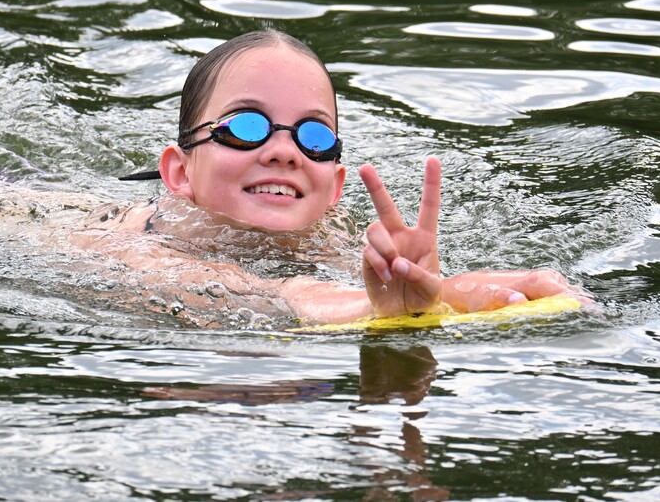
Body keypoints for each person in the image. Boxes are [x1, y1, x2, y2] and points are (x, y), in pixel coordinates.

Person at [70, 29, 585, 326]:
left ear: (334, 189)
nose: (283, 152)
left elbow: (385, 286)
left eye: (313, 137)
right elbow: (275, 293)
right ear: (180, 172)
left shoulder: (341, 242)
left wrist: (449, 288)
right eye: (246, 126)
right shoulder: (132, 248)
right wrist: (371, 305)